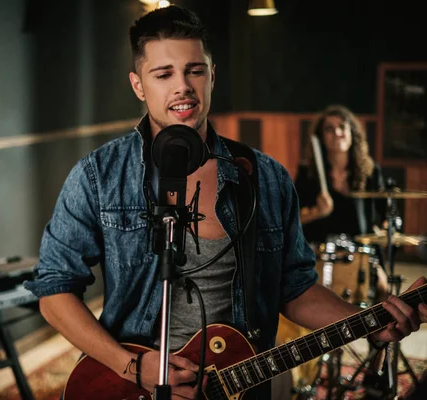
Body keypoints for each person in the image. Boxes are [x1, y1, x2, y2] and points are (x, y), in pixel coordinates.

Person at [25, 6, 427, 400]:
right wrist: (131, 366)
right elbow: (55, 292)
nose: (182, 86)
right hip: (129, 386)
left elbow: (296, 288)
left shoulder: (265, 177)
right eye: (163, 74)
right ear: (138, 85)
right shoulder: (99, 175)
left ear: (212, 76)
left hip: (240, 384)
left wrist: (367, 322)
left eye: (194, 71)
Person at [295, 105, 386, 244]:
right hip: (317, 258)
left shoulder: (370, 173)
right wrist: (317, 211)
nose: (337, 133)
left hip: (360, 256)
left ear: (352, 133)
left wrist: (386, 232)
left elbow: (387, 215)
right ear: (321, 137)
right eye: (329, 129)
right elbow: (291, 219)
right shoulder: (307, 173)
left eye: (342, 127)